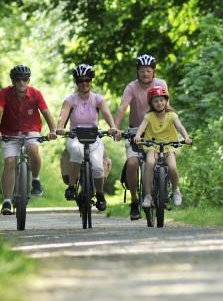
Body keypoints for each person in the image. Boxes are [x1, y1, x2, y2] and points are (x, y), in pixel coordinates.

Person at [0, 64, 58, 215]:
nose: (22, 82)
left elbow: (46, 112)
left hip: (31, 130)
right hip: (9, 131)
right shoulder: (5, 93)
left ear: (28, 80)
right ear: (13, 81)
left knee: (33, 148)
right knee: (9, 162)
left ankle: (35, 179)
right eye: (18, 79)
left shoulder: (35, 94)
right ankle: (7, 201)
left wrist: (53, 130)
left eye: (25, 79)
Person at [56, 63, 119, 211]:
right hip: (75, 136)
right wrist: (59, 128)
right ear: (76, 82)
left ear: (91, 81)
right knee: (77, 152)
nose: (84, 83)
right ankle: (71, 187)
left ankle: (100, 194)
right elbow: (62, 116)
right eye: (80, 80)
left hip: (93, 136)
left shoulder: (98, 99)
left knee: (97, 166)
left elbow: (107, 115)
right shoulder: (70, 100)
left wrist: (113, 127)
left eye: (87, 80)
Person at [113, 54, 169, 220]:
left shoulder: (161, 84)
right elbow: (123, 107)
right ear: (137, 72)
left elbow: (168, 106)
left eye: (148, 70)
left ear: (154, 71)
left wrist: (174, 125)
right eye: (142, 70)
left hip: (158, 131)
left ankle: (163, 192)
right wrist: (115, 127)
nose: (145, 73)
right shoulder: (131, 87)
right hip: (135, 132)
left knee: (166, 158)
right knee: (132, 162)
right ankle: (134, 201)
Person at [134, 85, 192, 207]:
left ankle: (176, 190)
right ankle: (148, 196)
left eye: (161, 100)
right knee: (149, 163)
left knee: (172, 167)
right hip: (152, 146)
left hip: (169, 146)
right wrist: (138, 136)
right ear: (151, 103)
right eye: (156, 101)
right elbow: (141, 128)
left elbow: (180, 127)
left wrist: (186, 137)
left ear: (166, 101)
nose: (159, 103)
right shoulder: (148, 116)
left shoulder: (172, 115)